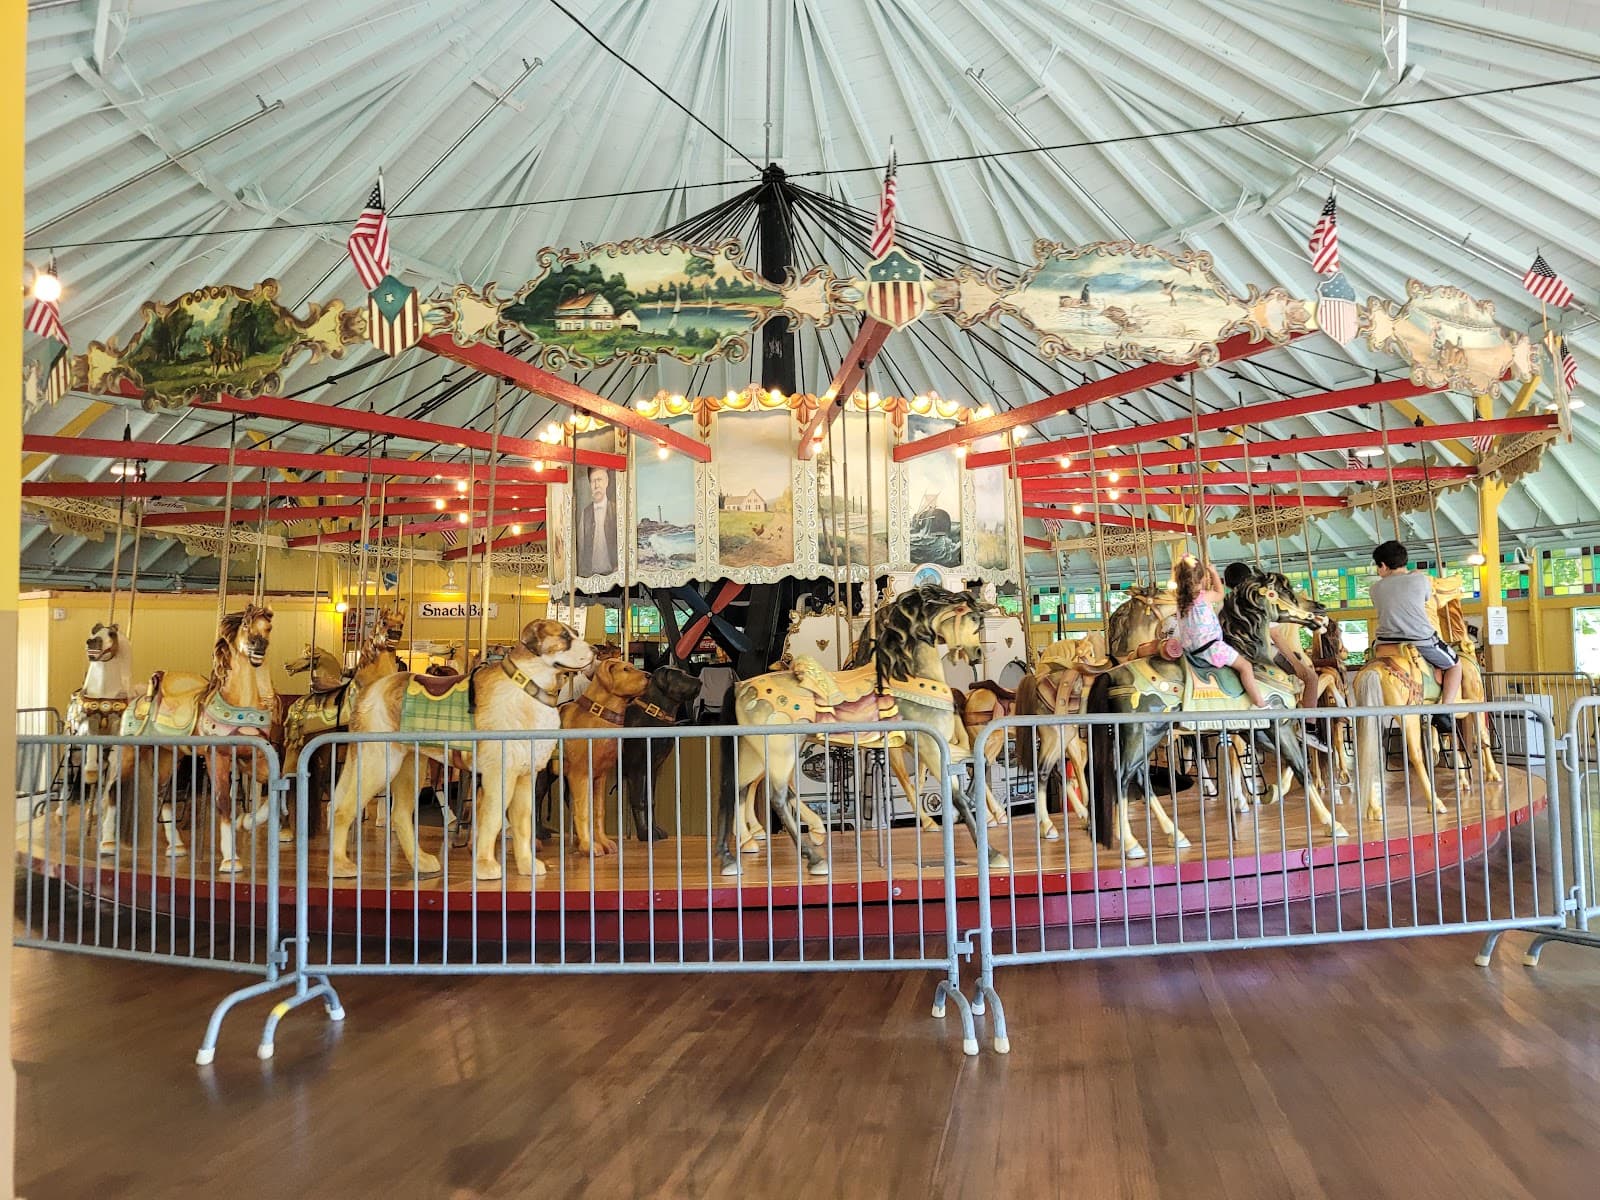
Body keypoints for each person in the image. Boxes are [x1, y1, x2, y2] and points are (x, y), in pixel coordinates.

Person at [1370, 539, 1461, 705]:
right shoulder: (1420, 580)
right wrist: (1414, 575)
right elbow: (1426, 598)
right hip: (1420, 640)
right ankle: (1446, 707)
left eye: (1378, 567)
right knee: (1455, 664)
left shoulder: (1375, 588)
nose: (1378, 571)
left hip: (1384, 643)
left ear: (1383, 566)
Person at [1174, 555, 1268, 708]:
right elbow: (1220, 593)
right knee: (1245, 666)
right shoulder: (1203, 597)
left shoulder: (1180, 601)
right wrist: (1213, 572)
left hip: (1192, 650)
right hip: (1211, 648)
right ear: (1202, 577)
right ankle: (1259, 703)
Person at [576, 465, 618, 576]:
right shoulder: (585, 513)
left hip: (614, 577)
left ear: (607, 482)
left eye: (599, 480)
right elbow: (580, 547)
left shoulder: (616, 511)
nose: (596, 485)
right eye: (593, 481)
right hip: (590, 576)